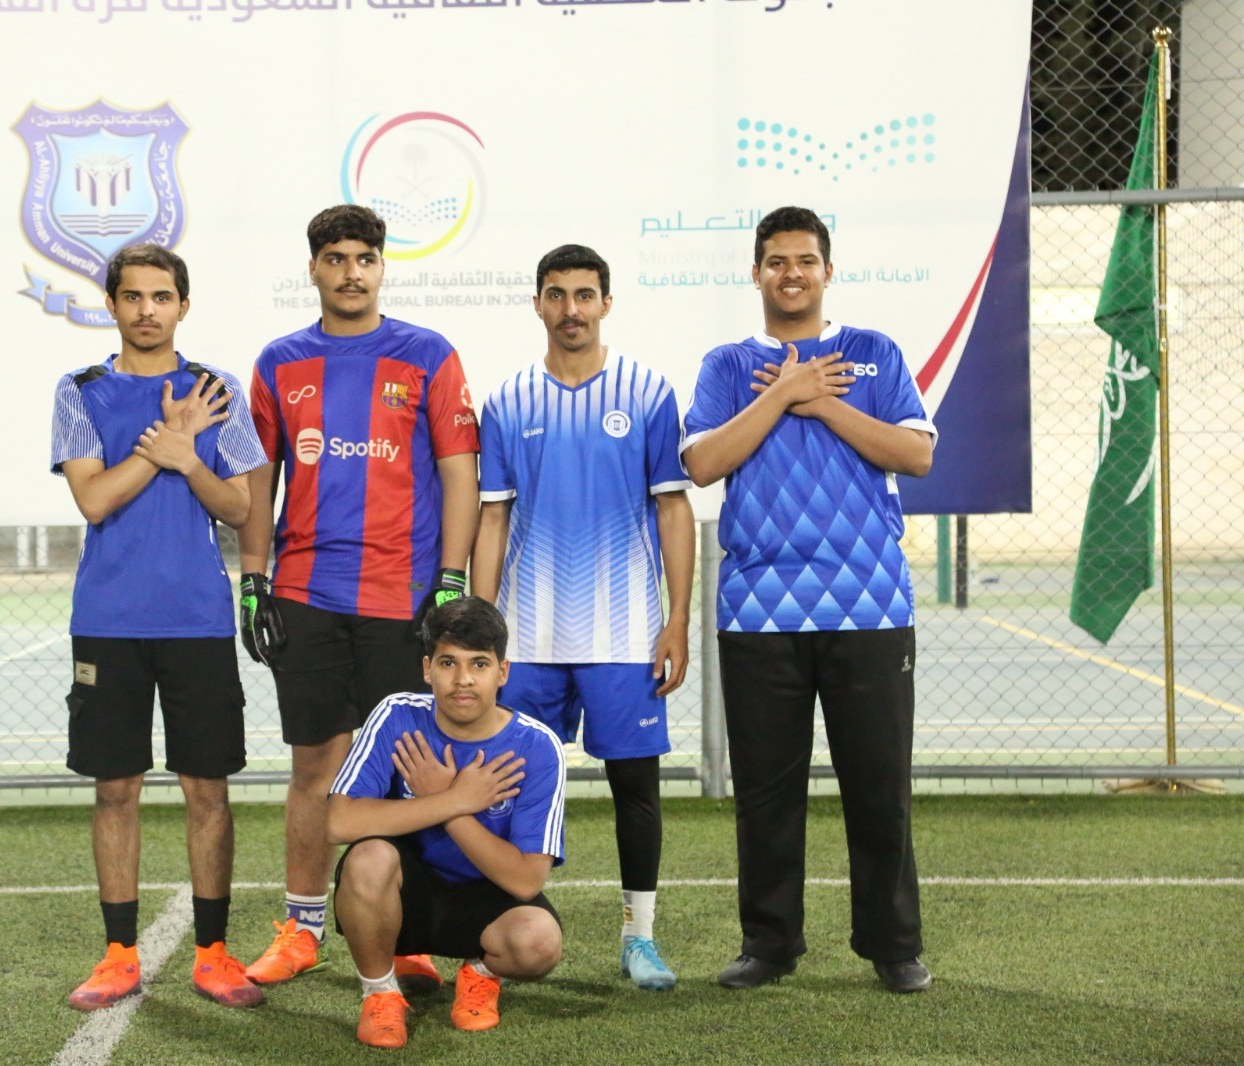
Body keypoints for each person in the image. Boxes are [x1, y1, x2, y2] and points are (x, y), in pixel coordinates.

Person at [679, 206, 936, 994]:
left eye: (805, 260)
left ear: (828, 270)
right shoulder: (728, 365)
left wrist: (822, 402)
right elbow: (702, 464)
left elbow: (916, 454)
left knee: (879, 789)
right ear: (755, 272)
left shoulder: (873, 354)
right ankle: (770, 944)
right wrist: (783, 392)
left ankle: (893, 946)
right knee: (765, 794)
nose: (791, 273)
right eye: (777, 261)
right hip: (759, 613)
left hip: (869, 609)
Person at [238, 204, 481, 988]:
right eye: (336, 258)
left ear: (382, 266)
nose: (351, 272)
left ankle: (404, 932)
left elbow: (459, 473)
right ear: (313, 268)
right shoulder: (279, 362)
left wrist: (451, 579)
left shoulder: (428, 355)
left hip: (401, 602)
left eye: (365, 258)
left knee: (406, 771)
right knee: (314, 766)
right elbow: (258, 479)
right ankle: (302, 926)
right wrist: (252, 577)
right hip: (306, 595)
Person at [50, 242, 268, 1011]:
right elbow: (95, 499)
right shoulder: (80, 391)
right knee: (116, 789)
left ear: (183, 305)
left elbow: (240, 507)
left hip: (196, 620)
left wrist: (192, 457)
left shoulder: (217, 390)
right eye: (133, 296)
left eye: (162, 296)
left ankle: (214, 954)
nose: (148, 310)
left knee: (208, 790)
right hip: (108, 621)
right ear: (112, 304)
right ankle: (118, 956)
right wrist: (163, 447)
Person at [472, 244, 695, 991]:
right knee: (503, 788)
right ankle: (499, 930)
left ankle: (640, 938)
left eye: (585, 295)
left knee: (636, 788)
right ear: (537, 303)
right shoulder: (509, 401)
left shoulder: (648, 391)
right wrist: (483, 628)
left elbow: (673, 508)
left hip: (625, 633)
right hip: (527, 635)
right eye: (557, 294)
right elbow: (493, 517)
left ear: (606, 303)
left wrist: (676, 619)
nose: (571, 309)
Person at [327, 595, 565, 1049]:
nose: (463, 679)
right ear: (427, 669)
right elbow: (339, 822)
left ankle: (481, 974)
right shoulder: (397, 715)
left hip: (487, 900)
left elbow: (525, 880)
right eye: (448, 662)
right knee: (368, 858)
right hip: (404, 896)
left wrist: (451, 806)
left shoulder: (537, 746)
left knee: (538, 943)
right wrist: (454, 799)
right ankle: (381, 994)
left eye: (480, 664)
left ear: (503, 672)